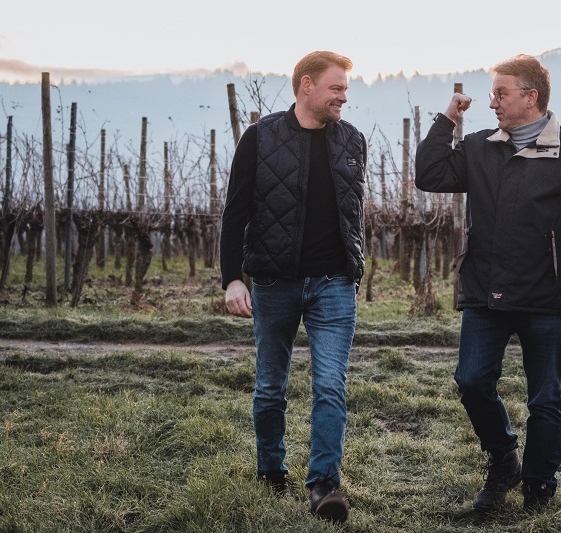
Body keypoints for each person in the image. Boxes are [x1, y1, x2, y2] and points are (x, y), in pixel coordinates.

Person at [415, 54, 561, 513]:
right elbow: (428, 174)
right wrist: (447, 119)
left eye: (500, 94)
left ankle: (539, 487)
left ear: (531, 97)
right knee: (471, 381)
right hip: (484, 292)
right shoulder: (479, 147)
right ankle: (505, 458)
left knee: (545, 398)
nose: (492, 103)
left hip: (545, 295)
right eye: (493, 94)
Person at [220, 50, 366, 524]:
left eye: (345, 89)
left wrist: (355, 268)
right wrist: (232, 278)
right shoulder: (260, 138)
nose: (344, 97)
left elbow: (354, 214)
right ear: (307, 85)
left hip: (334, 284)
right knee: (270, 386)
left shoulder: (352, 140)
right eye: (336, 88)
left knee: (330, 385)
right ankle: (271, 470)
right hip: (274, 282)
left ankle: (324, 485)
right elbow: (235, 213)